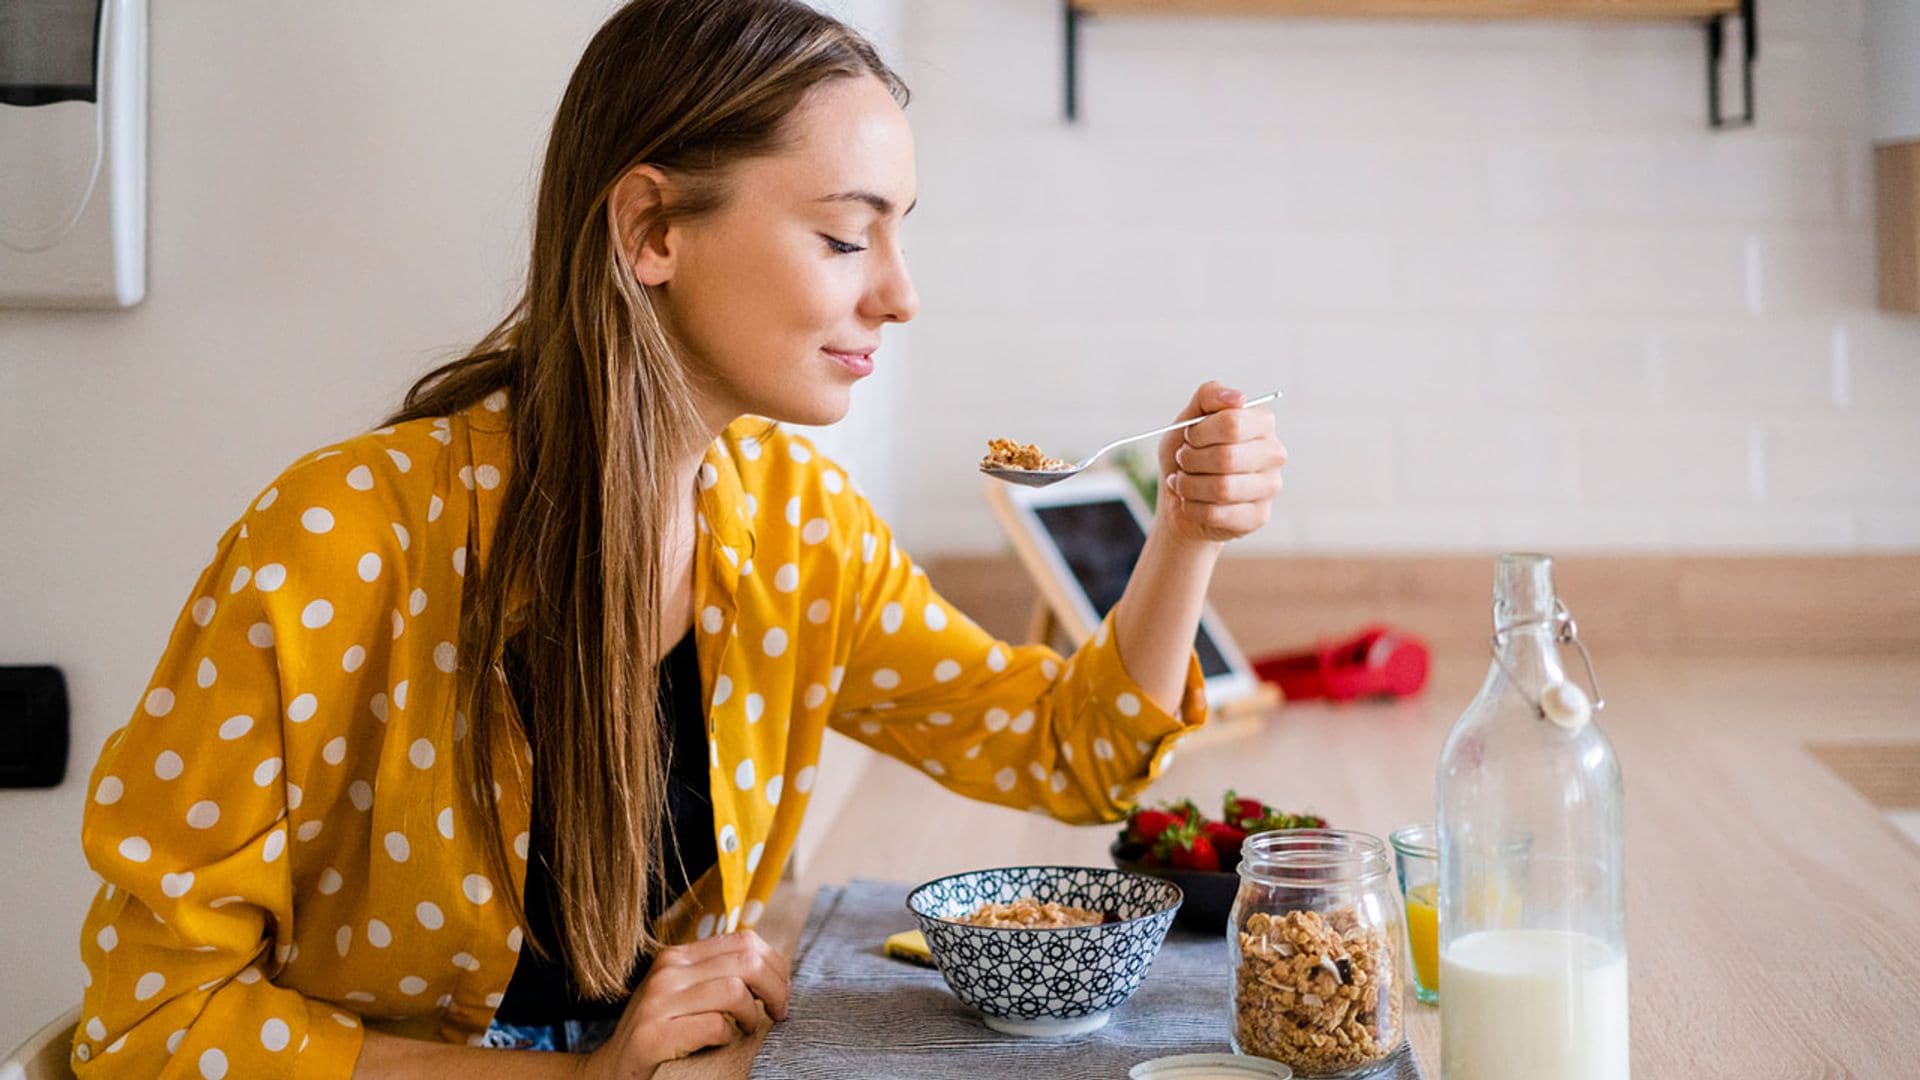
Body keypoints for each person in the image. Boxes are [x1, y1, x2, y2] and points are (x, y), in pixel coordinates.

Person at [70, 1, 1287, 1076]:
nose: (900, 293)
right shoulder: (338, 539)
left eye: (899, 231)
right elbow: (152, 1022)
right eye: (846, 235)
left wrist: (1184, 535)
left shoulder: (797, 527)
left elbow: (1061, 755)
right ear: (652, 228)